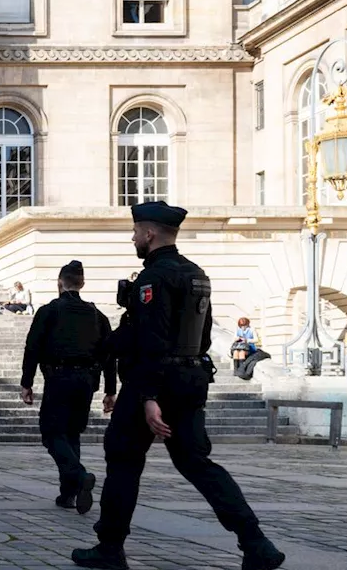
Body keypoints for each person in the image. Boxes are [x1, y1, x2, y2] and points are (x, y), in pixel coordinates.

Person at [73, 201, 284, 570]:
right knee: (198, 464)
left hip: (151, 383)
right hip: (189, 380)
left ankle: (109, 548)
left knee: (123, 461)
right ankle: (256, 543)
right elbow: (201, 337)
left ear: (149, 234)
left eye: (136, 232)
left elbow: (152, 339)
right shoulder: (196, 273)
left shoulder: (154, 279)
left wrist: (149, 397)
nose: (134, 237)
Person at [20, 260, 116, 515]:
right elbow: (109, 355)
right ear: (82, 283)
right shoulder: (98, 316)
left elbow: (33, 348)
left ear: (60, 282)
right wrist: (110, 390)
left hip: (58, 378)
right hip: (86, 382)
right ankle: (68, 493)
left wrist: (26, 383)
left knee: (52, 433)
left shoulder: (49, 311)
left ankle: (79, 475)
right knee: (71, 434)